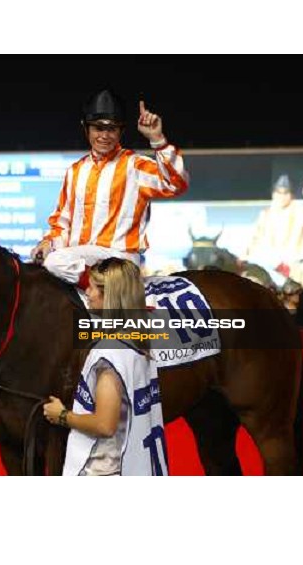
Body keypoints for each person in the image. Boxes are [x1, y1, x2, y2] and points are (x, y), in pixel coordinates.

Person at [31, 90, 189, 284]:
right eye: (98, 128)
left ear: (121, 131)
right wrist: (47, 243)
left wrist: (157, 140)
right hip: (82, 261)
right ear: (86, 128)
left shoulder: (135, 165)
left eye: (112, 129)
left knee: (55, 261)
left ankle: (103, 289)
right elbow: (61, 224)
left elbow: (176, 184)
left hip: (120, 261)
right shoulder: (75, 171)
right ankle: (96, 288)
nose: (104, 135)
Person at [43, 258, 167, 475]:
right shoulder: (140, 341)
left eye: (92, 287)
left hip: (104, 471)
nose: (87, 293)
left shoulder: (109, 354)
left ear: (110, 296)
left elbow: (104, 424)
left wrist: (62, 415)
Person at [246, 175, 303, 282]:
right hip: (268, 263)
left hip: (291, 263)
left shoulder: (299, 214)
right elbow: (254, 239)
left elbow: (298, 242)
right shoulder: (265, 214)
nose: (281, 197)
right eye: (278, 193)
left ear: (291, 195)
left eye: (285, 193)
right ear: (273, 194)